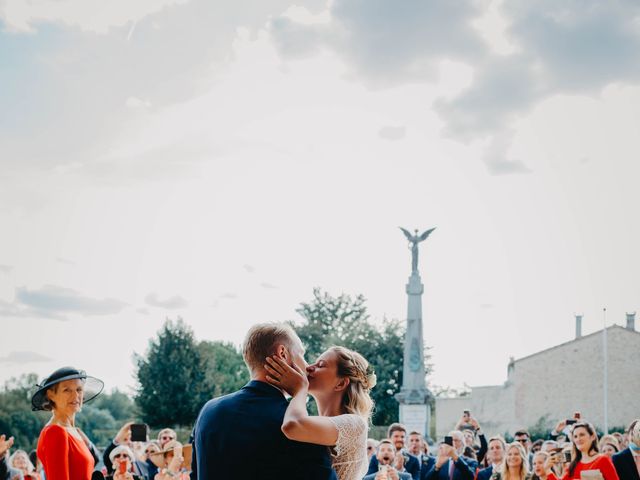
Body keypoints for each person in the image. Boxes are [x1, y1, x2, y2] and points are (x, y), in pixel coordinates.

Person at [191, 322, 337, 480]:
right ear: (282, 353)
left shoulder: (209, 411)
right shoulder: (299, 428)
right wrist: (300, 391)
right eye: (301, 354)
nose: (307, 366)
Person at [264, 345, 374, 480]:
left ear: (340, 384)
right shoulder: (313, 424)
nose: (309, 367)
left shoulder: (356, 425)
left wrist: (299, 390)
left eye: (321, 365)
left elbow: (292, 425)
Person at [32, 366, 103, 480]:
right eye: (67, 390)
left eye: (79, 389)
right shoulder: (55, 432)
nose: (75, 396)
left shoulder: (72, 431)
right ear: (51, 395)